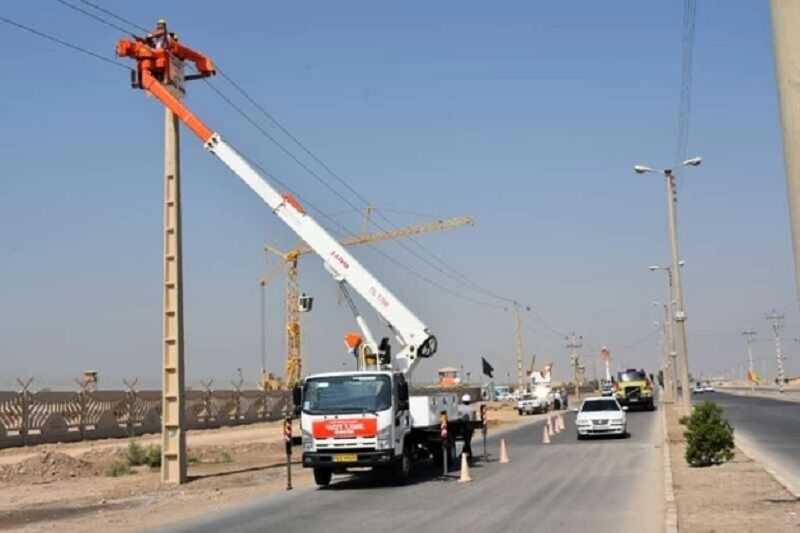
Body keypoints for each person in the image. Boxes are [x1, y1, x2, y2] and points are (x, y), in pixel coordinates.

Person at [458, 394, 476, 461]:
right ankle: (468, 454)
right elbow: (474, 418)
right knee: (467, 441)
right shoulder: (473, 408)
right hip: (470, 427)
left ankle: (464, 453)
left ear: (463, 401)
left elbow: (458, 417)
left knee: (466, 441)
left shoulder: (460, 408)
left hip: (463, 427)